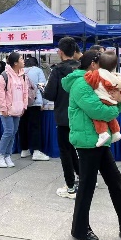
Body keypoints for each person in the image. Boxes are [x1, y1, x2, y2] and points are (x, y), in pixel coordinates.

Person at [62, 50, 121, 240]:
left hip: (100, 140)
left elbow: (117, 99)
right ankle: (79, 229)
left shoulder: (98, 80)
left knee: (115, 180)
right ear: (93, 64)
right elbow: (99, 111)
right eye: (102, 63)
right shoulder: (81, 83)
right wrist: (116, 105)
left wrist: (120, 100)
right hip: (87, 141)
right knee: (87, 185)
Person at [44, 37, 81, 198]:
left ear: (60, 52)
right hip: (80, 115)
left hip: (63, 116)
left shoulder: (57, 70)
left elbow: (49, 94)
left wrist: (43, 89)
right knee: (74, 149)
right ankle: (83, 178)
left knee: (65, 151)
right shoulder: (82, 68)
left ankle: (70, 186)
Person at [84, 52, 121, 147]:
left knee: (98, 117)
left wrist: (88, 75)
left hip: (103, 99)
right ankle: (116, 131)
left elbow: (92, 81)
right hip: (113, 101)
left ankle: (103, 133)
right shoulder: (117, 76)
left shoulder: (98, 73)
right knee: (111, 118)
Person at [0, 52, 28, 168]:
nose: (23, 61)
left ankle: (7, 155)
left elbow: (25, 92)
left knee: (13, 132)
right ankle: (0, 155)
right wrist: (3, 107)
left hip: (18, 109)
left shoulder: (23, 75)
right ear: (15, 63)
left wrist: (24, 106)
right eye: (21, 59)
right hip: (7, 109)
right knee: (8, 131)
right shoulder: (4, 75)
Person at [18, 57, 50, 161]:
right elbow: (42, 87)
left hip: (21, 102)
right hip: (35, 101)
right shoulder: (38, 70)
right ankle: (36, 151)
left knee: (22, 126)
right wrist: (44, 102)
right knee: (35, 127)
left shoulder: (20, 70)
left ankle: (24, 149)